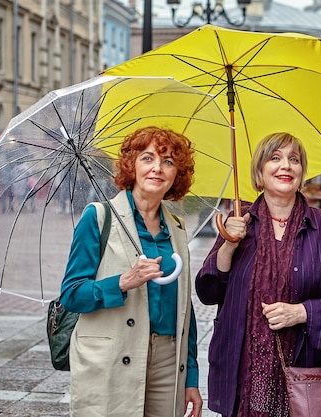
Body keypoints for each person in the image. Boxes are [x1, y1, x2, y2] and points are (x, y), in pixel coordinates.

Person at [196, 132, 321, 417]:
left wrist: (302, 312)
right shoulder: (240, 223)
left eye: (294, 159)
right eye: (275, 158)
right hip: (241, 375)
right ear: (259, 171)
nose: (286, 165)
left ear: (301, 172)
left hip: (305, 370)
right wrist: (228, 247)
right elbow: (208, 293)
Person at [60, 126, 202, 417]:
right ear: (132, 165)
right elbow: (72, 295)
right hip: (112, 354)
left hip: (167, 359)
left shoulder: (176, 227)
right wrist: (123, 282)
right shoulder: (98, 217)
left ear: (178, 174)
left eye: (169, 161)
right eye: (147, 158)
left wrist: (191, 376)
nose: (157, 168)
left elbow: (184, 307)